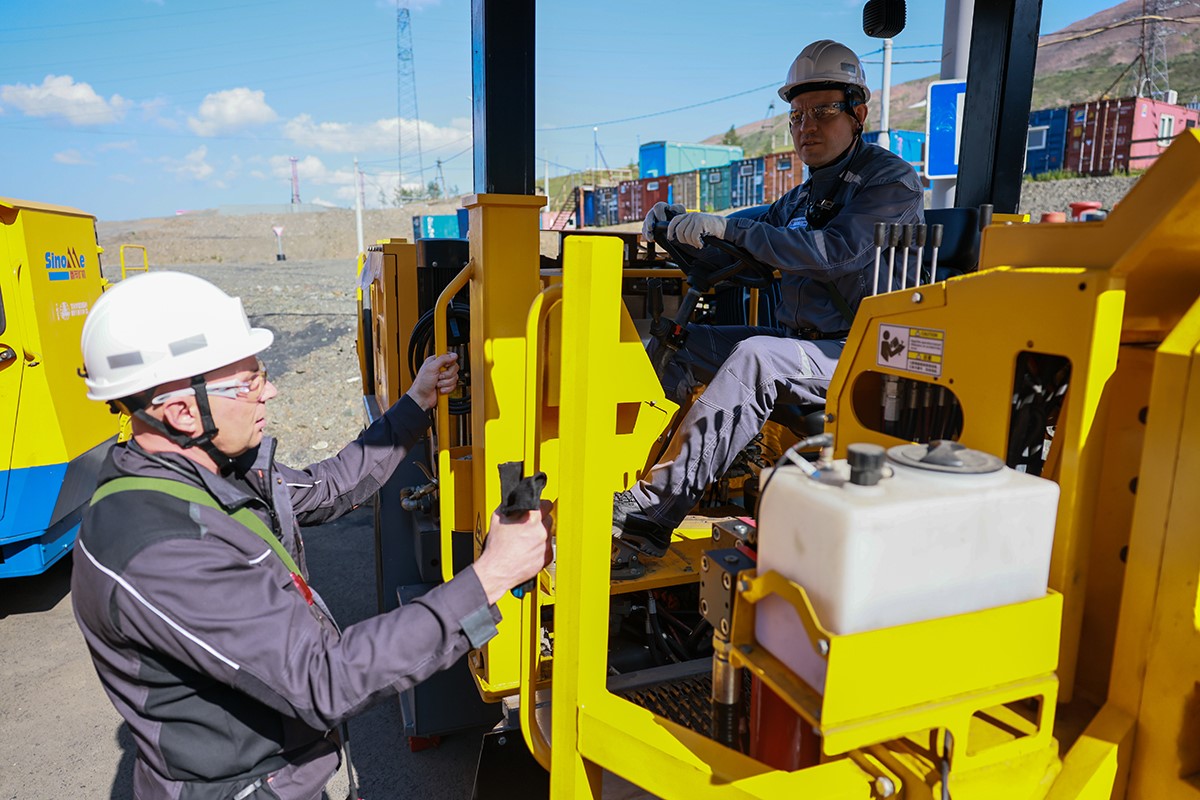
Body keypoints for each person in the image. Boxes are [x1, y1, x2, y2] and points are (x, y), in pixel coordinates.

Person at [70, 271, 551, 800]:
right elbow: (324, 679)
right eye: (250, 383)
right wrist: (491, 577)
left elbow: (327, 488)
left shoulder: (215, 474)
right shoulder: (161, 549)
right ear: (184, 411)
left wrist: (416, 403)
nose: (270, 391)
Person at [613, 39, 924, 558]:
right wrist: (681, 223)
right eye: (797, 115)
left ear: (858, 113)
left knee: (758, 357)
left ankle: (651, 512)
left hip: (868, 352)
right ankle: (624, 471)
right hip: (803, 345)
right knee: (681, 341)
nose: (807, 126)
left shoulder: (890, 182)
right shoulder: (803, 195)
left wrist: (733, 232)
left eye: (823, 111)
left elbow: (836, 252)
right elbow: (751, 228)